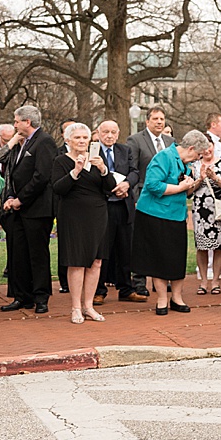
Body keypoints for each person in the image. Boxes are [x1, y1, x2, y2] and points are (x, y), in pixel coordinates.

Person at [46, 121, 117, 322]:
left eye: (85, 137)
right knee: (76, 261)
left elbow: (110, 187)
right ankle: (76, 307)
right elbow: (58, 188)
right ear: (68, 140)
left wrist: (104, 170)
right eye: (77, 137)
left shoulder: (96, 159)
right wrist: (75, 172)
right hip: (73, 215)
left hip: (98, 213)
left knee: (96, 261)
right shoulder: (61, 161)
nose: (82, 141)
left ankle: (89, 306)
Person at [137, 130, 209, 315]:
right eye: (198, 155)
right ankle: (161, 299)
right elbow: (153, 185)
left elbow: (186, 192)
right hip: (155, 214)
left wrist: (195, 180)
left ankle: (177, 298)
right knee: (159, 259)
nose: (197, 159)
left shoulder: (186, 164)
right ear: (191, 148)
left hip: (176, 215)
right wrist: (180, 186)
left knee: (177, 259)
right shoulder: (163, 157)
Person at [0, 105, 58, 314]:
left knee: (37, 254)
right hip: (18, 209)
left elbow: (41, 176)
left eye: (16, 121)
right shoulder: (20, 144)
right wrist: (11, 198)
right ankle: (21, 296)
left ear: (27, 122)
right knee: (18, 254)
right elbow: (7, 167)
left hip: (37, 209)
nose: (14, 125)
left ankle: (41, 296)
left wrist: (20, 200)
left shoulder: (44, 142)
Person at [124, 107, 176, 298]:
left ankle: (160, 279)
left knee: (161, 239)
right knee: (142, 240)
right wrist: (136, 199)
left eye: (162, 119)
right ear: (147, 122)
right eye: (155, 119)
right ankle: (139, 282)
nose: (159, 122)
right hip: (144, 197)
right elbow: (134, 170)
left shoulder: (170, 142)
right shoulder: (135, 140)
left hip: (166, 197)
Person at [87, 120, 137, 305]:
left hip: (123, 205)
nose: (109, 135)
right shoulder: (92, 152)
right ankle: (99, 290)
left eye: (113, 132)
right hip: (103, 205)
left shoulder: (125, 150)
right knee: (103, 251)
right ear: (98, 133)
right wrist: (111, 189)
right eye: (105, 132)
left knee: (125, 249)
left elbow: (134, 172)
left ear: (118, 133)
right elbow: (90, 177)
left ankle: (126, 289)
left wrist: (126, 184)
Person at [189, 136, 221, 296]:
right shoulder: (194, 165)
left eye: (210, 146)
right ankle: (203, 281)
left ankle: (215, 281)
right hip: (200, 210)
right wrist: (200, 178)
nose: (207, 150)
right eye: (204, 147)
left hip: (219, 209)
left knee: (219, 247)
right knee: (202, 246)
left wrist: (215, 179)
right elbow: (188, 191)